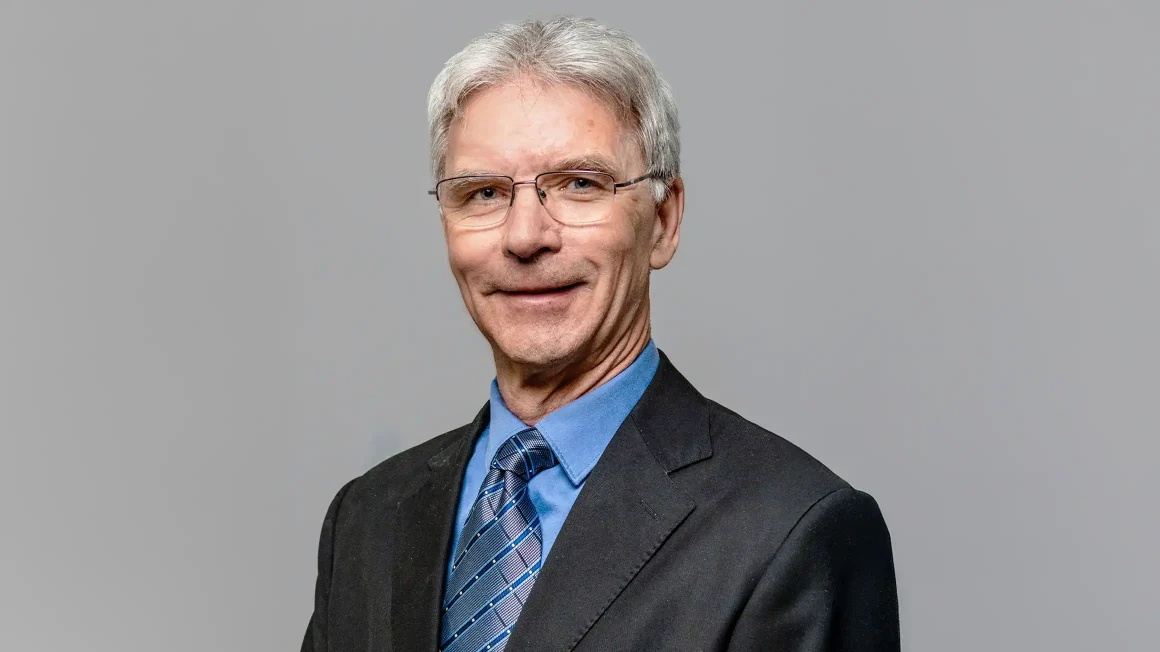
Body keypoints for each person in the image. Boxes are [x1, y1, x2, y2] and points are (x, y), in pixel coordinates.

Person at [302, 16, 899, 652]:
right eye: (482, 193)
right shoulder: (367, 518)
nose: (525, 236)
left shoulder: (792, 531)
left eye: (580, 185)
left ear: (664, 222)